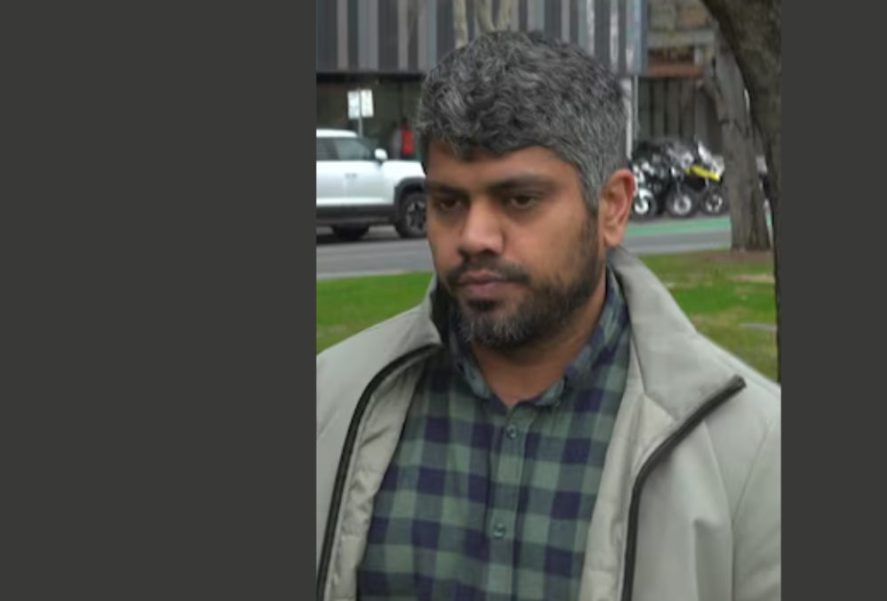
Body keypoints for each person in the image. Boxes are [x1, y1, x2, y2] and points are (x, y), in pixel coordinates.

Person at [317, 31, 780, 601]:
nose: (474, 237)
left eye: (519, 199)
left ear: (612, 208)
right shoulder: (331, 404)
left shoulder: (752, 450)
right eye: (448, 202)